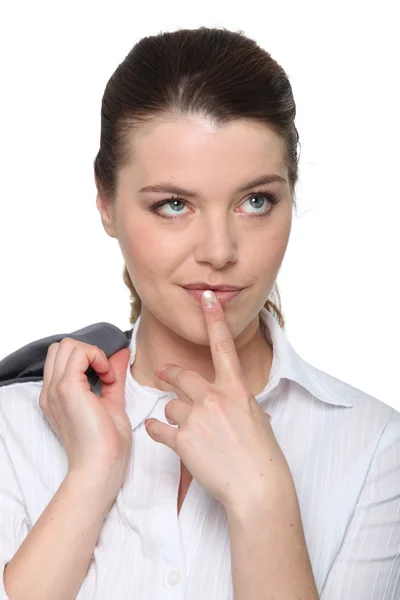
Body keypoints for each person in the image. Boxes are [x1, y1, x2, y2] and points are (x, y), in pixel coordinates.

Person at [0, 25, 399, 600]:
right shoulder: (16, 426)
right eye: (174, 204)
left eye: (256, 201)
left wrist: (263, 502)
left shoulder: (376, 449)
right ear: (105, 203)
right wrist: (91, 475)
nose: (219, 250)